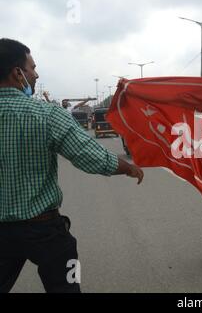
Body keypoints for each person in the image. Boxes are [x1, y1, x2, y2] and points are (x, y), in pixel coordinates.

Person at [0, 38, 144, 293]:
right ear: (17, 73)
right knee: (67, 287)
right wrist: (127, 167)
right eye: (32, 68)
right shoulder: (46, 114)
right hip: (45, 230)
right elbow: (89, 155)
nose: (37, 74)